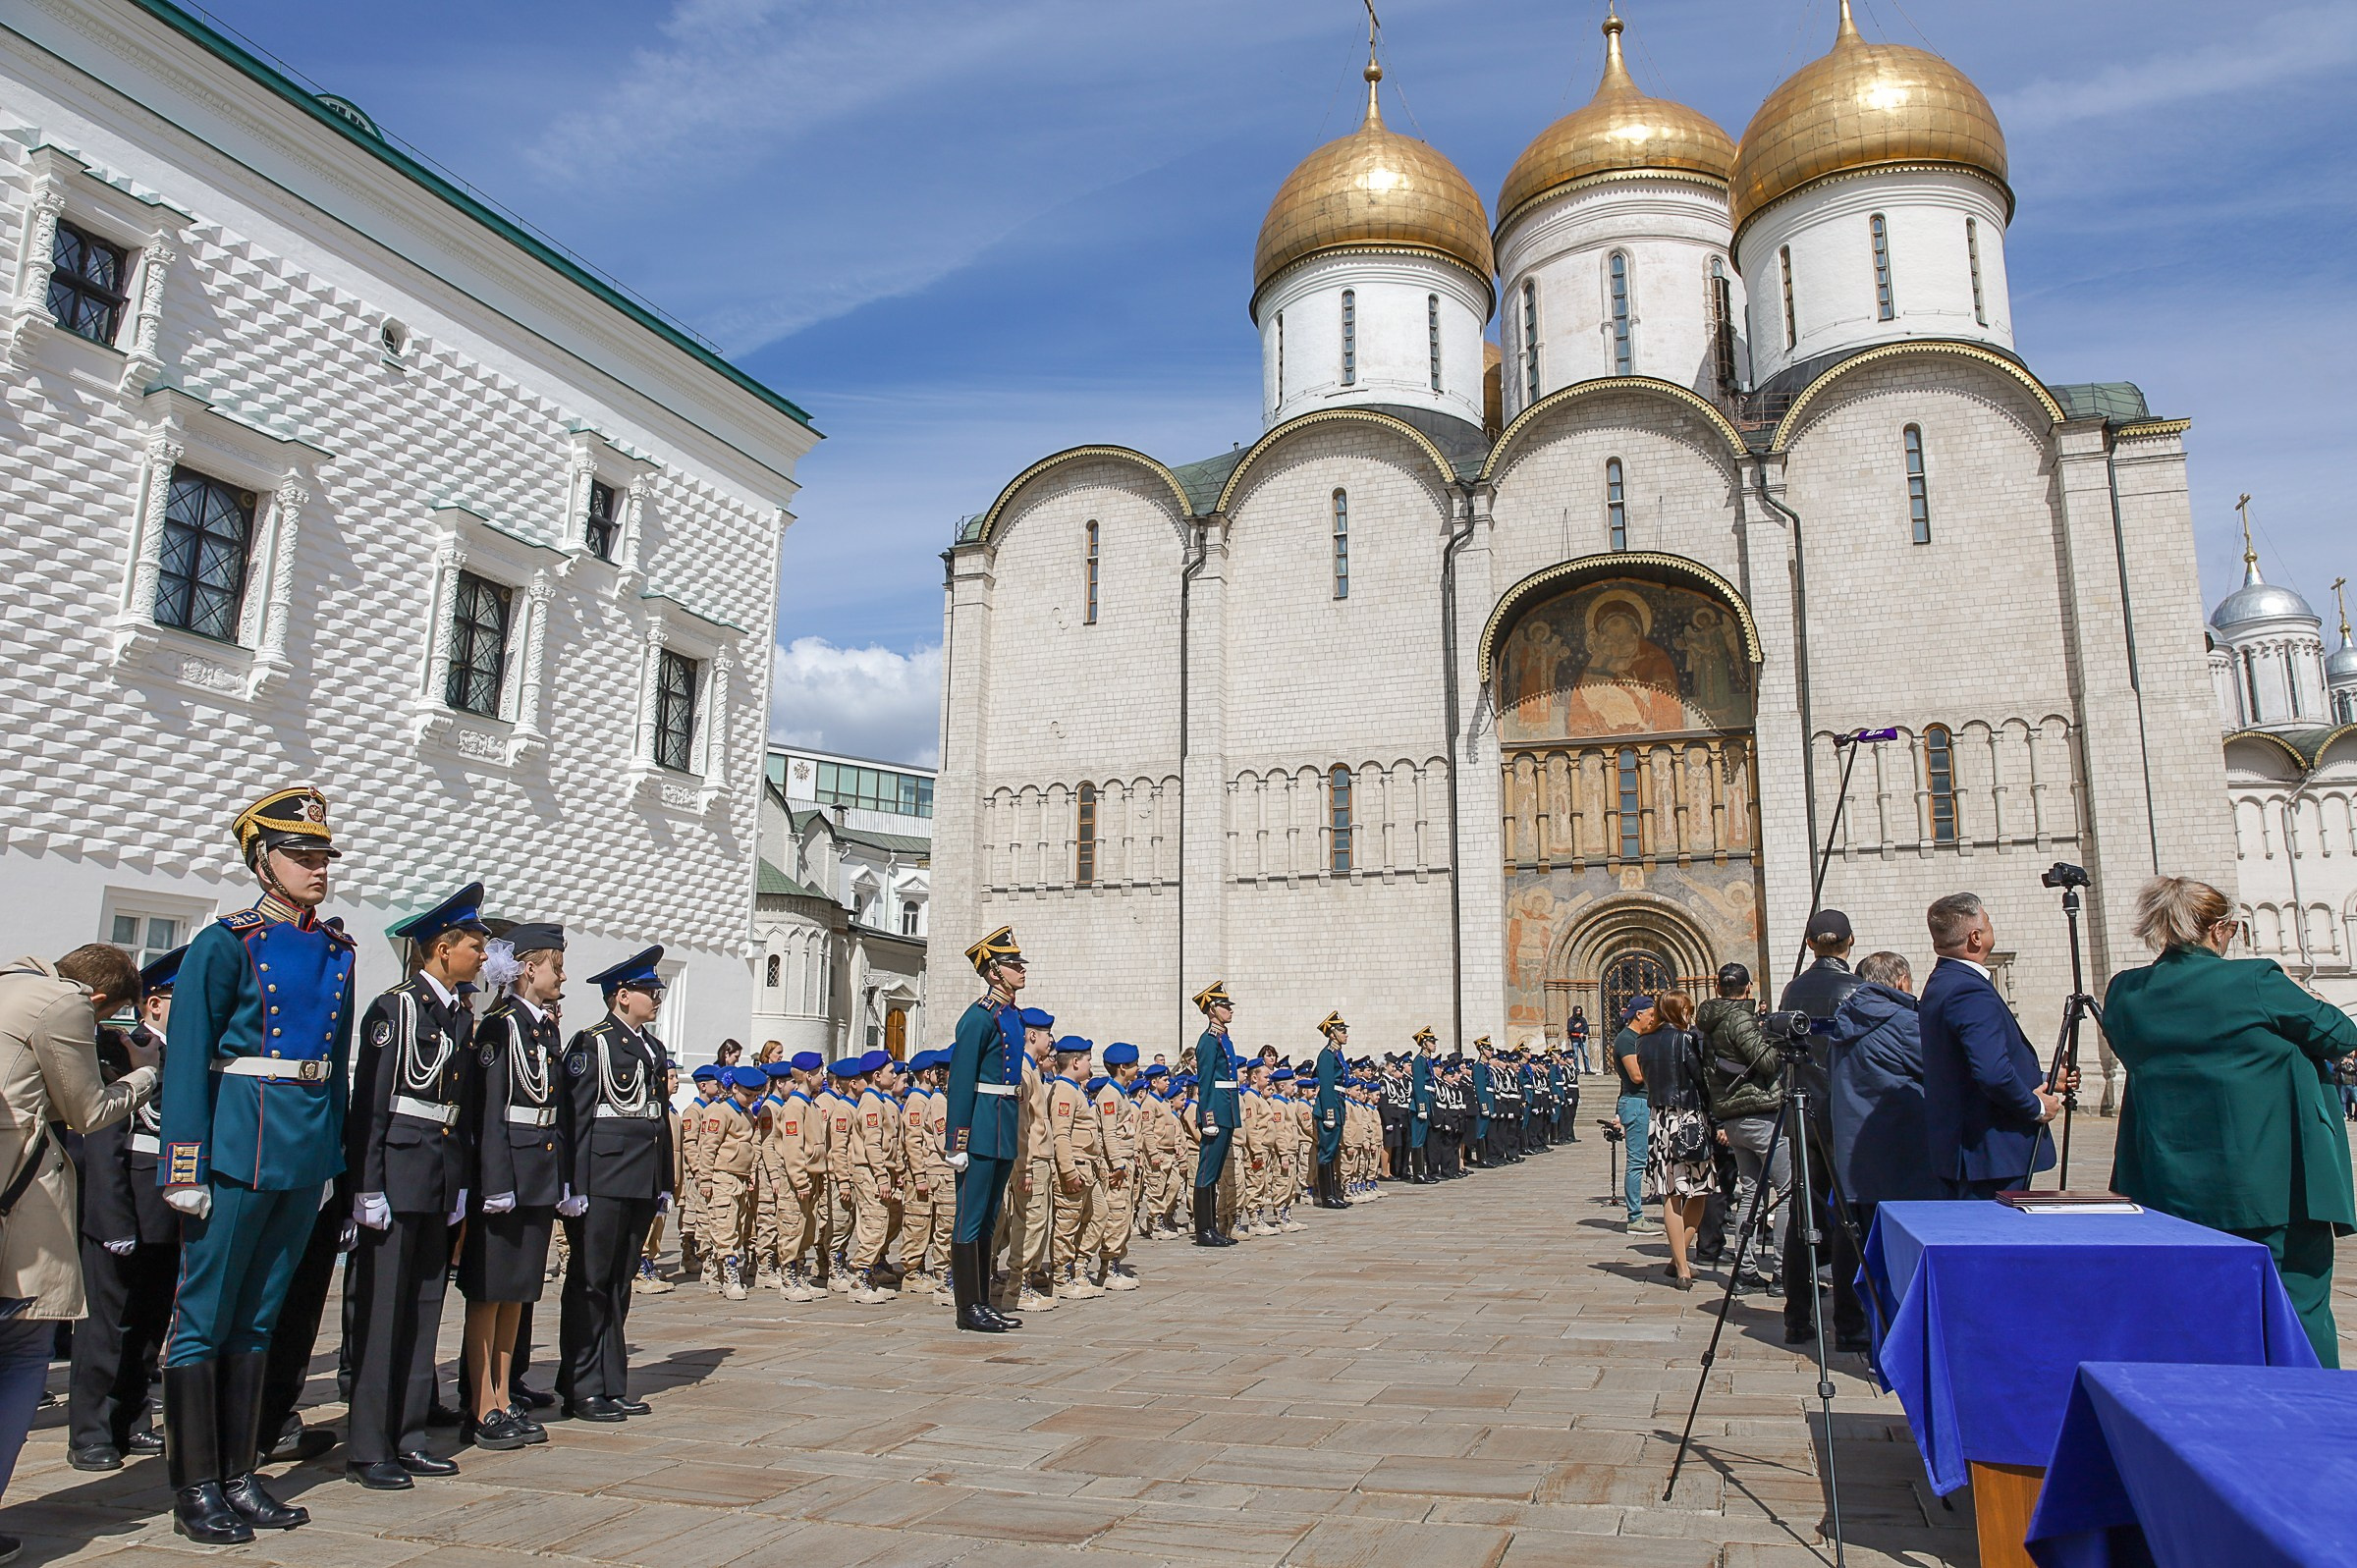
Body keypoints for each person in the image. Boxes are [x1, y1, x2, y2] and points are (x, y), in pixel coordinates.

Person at [160, 786, 356, 1543]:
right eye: (301, 855)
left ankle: (240, 1473)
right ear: (261, 860)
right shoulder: (226, 942)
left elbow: (331, 1064)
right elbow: (187, 1061)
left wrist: (333, 1154)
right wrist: (185, 1163)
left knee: (260, 1319)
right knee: (204, 1320)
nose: (317, 868)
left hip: (303, 1149)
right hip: (240, 1143)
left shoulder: (338, 948)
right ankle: (195, 1485)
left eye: (322, 856)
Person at [2102, 876, 2357, 1368]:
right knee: (2298, 1302)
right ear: (2219, 930)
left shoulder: (2126, 991)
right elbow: (2339, 1033)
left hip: (2168, 1185)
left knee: (2197, 1308)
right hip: (2273, 1185)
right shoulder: (2256, 980)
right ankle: (2309, 1412)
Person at [0, 943, 159, 1545]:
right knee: (23, 1350)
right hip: (15, 1207)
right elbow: (90, 1111)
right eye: (106, 1017)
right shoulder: (62, 1003)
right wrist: (146, 1072)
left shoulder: (11, 981)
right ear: (97, 999)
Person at [343, 884, 487, 1489]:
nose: (483, 956)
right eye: (474, 947)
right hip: (396, 1175)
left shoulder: (458, 1011)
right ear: (440, 948)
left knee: (424, 1310)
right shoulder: (394, 1009)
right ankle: (369, 1445)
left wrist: (458, 1182)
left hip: (436, 1175)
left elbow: (453, 1106)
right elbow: (372, 1104)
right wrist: (366, 1185)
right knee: (382, 1316)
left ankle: (408, 1434)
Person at [67, 946, 182, 1473]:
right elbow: (103, 1137)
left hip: (166, 1203)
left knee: (149, 1321)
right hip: (123, 1203)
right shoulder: (116, 1050)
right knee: (105, 1325)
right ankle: (90, 1430)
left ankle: (133, 1418)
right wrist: (110, 1218)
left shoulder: (183, 1056)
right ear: (154, 1004)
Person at [457, 922, 567, 1452]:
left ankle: (503, 1393)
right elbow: (491, 1110)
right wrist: (495, 1181)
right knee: (490, 1291)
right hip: (508, 1175)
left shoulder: (542, 1027)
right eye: (555, 966)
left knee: (518, 1292)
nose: (560, 976)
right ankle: (481, 1402)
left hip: (538, 1173)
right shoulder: (499, 1026)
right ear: (529, 967)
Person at [556, 946, 675, 1422]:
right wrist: (574, 1185)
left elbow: (657, 1119)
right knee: (591, 1281)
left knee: (620, 1282)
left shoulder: (651, 1046)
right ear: (622, 996)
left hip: (639, 1178)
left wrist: (663, 1180)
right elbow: (577, 1118)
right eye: (649, 990)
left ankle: (610, 1381)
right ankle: (581, 1385)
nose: (657, 997)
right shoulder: (593, 1043)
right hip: (602, 1177)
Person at [1918, 893, 2063, 1198]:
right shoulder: (1968, 990)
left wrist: (2042, 1080)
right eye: (1988, 922)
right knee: (1995, 1240)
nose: (1991, 927)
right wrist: (2035, 1106)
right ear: (1975, 937)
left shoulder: (1944, 981)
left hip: (1973, 1152)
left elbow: (1964, 1066)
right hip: (1988, 1154)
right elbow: (1992, 1072)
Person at [1778, 909, 1867, 1351]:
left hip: (1803, 1112)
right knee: (1850, 1215)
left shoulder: (1793, 989)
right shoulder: (1858, 990)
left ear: (1810, 944)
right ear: (1850, 943)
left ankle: (1797, 1318)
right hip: (1848, 1116)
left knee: (1804, 1214)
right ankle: (1850, 1325)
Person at [944, 927, 1026, 1331]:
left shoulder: (1010, 1014)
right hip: (978, 1129)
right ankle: (967, 1307)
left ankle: (982, 1300)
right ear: (994, 972)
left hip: (1003, 1125)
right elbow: (960, 1082)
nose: (1020, 970)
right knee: (970, 1218)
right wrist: (956, 1140)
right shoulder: (979, 1018)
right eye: (1013, 964)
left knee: (990, 1219)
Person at [1699, 964, 1785, 1290]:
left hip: (1732, 1115)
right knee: (1788, 1192)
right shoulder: (1740, 1018)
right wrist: (1775, 1043)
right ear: (1747, 988)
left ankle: (1744, 1268)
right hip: (1759, 1112)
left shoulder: (1710, 1021)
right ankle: (1783, 1272)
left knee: (1750, 1190)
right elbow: (1766, 1062)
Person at [1637, 994, 1710, 1289]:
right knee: (1698, 1189)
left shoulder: (1644, 1041)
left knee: (1672, 1192)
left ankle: (1677, 1262)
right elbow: (1700, 1077)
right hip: (1688, 1117)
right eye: (1687, 1009)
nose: (1689, 1014)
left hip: (1659, 1119)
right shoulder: (1684, 1039)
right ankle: (1682, 1267)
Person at [1190, 983, 1241, 1245]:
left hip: (1227, 1108)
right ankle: (1203, 1230)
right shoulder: (1208, 1041)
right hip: (1216, 1111)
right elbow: (1206, 1081)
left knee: (1216, 1169)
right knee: (1206, 1171)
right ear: (1212, 1009)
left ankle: (1213, 1228)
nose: (1229, 1011)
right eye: (1224, 1006)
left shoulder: (1223, 1038)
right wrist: (1207, 1117)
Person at [1611, 998, 1657, 1233]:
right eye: (1650, 1013)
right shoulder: (1627, 1039)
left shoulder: (1641, 1038)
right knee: (1636, 1161)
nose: (1653, 1018)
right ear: (1638, 1014)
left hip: (1645, 1101)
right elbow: (1636, 1076)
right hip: (1637, 1103)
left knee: (1649, 1159)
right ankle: (1635, 1217)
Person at [1312, 1015, 1349, 1209]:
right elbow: (1326, 1085)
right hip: (1330, 1105)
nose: (1346, 1035)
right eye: (1342, 1031)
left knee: (1333, 1151)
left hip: (1338, 1103)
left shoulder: (1337, 1054)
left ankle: (1334, 1193)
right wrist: (1328, 1113)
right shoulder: (1327, 1054)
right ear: (1332, 1033)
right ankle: (1326, 1196)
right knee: (1326, 1152)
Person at [1566, 1006, 1593, 1076]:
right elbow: (1569, 1029)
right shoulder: (1571, 1020)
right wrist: (1575, 1027)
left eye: (1579, 1011)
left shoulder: (1583, 1019)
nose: (1578, 1012)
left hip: (1582, 1039)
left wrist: (1583, 1033)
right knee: (1575, 1055)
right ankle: (1577, 1069)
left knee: (1585, 1054)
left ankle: (1588, 1069)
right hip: (1575, 1039)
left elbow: (1586, 1028)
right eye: (1577, 1011)